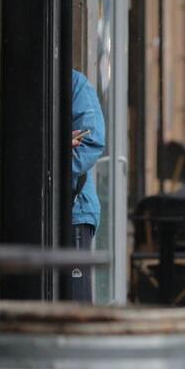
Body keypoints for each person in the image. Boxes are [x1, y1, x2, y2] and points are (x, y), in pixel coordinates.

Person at [71, 69, 106, 302]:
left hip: (75, 209)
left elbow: (90, 142)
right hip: (36, 207)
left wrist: (49, 164)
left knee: (76, 299)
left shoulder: (75, 83)